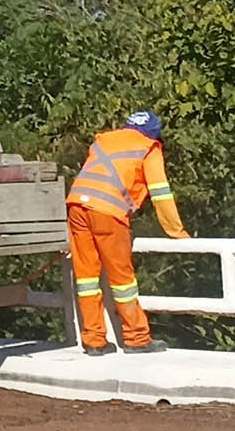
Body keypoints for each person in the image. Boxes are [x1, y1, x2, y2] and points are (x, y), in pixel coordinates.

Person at [65, 111, 187, 355]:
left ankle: (94, 340)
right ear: (154, 133)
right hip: (107, 211)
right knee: (122, 278)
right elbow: (160, 193)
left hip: (76, 205)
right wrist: (177, 232)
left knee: (86, 277)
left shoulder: (105, 140)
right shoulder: (148, 147)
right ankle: (137, 338)